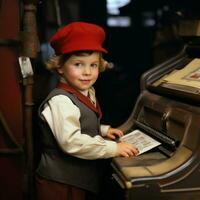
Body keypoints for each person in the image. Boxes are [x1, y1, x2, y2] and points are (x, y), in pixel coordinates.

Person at [35, 22, 138, 200]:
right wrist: (114, 148)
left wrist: (102, 130)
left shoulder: (86, 91)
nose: (87, 72)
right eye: (78, 64)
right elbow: (72, 142)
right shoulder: (61, 101)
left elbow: (79, 122)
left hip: (77, 179)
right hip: (60, 183)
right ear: (60, 66)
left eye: (93, 65)